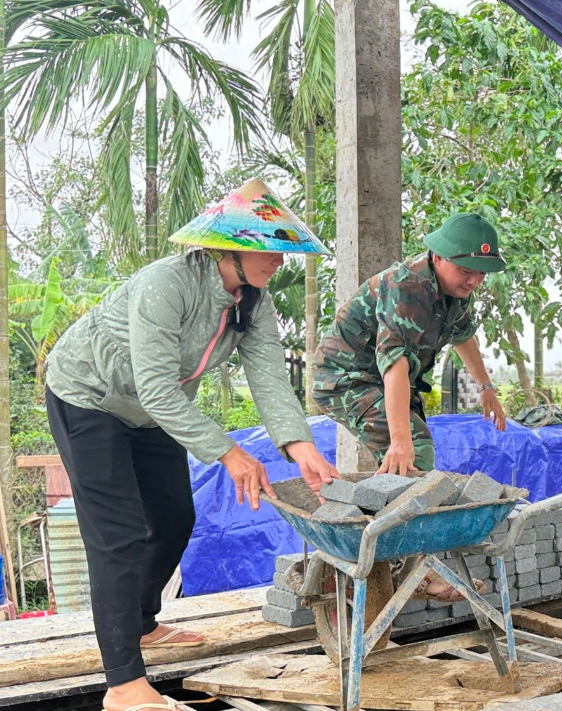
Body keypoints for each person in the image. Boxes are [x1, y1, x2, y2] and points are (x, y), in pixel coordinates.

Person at [44, 178, 341, 711]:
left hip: (154, 409)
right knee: (119, 534)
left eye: (282, 250)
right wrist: (229, 452)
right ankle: (123, 685)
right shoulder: (168, 283)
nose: (278, 261)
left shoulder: (254, 302)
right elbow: (156, 385)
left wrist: (303, 449)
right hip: (89, 395)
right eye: (268, 249)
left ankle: (139, 626)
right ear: (232, 247)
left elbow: (270, 379)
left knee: (175, 517)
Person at [312, 212, 507, 600]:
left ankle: (384, 541)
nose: (474, 280)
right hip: (346, 378)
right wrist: (400, 438)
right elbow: (395, 365)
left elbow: (463, 336)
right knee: (413, 453)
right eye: (467, 269)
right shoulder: (407, 287)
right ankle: (414, 571)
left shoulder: (453, 293)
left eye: (482, 273)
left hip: (382, 380)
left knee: (411, 462)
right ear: (438, 256)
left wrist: (485, 387)